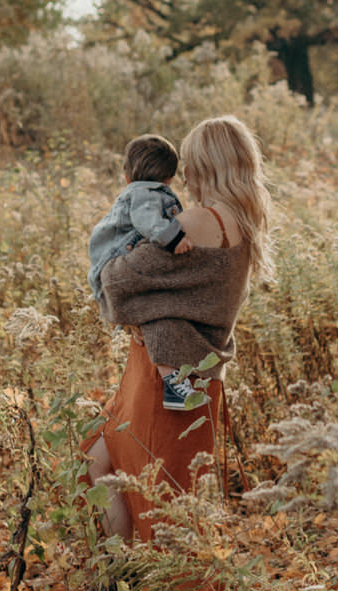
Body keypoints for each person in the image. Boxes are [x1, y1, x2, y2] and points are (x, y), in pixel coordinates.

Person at [86, 115, 273, 554]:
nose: (182, 174)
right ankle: (119, 584)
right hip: (189, 373)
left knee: (159, 496)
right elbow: (185, 295)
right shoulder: (242, 221)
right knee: (108, 462)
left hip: (166, 377)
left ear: (209, 165)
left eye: (189, 163)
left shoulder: (194, 223)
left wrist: (127, 288)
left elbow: (117, 279)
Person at [86, 134, 204, 410]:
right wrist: (174, 238)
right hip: (116, 264)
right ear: (170, 175)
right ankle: (174, 385)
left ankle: (169, 376)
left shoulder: (144, 192)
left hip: (116, 267)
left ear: (128, 174)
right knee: (154, 318)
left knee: (148, 321)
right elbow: (148, 221)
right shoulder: (144, 194)